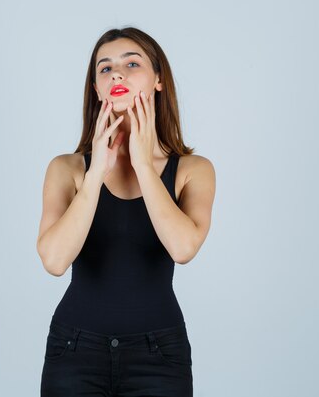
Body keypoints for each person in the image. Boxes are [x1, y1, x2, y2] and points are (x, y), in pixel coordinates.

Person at [36, 26, 216, 397]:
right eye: (105, 69)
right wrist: (95, 173)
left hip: (159, 356)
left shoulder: (193, 171)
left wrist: (144, 166)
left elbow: (183, 249)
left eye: (131, 63)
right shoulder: (66, 169)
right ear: (97, 89)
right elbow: (54, 261)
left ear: (158, 79)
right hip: (74, 351)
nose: (117, 73)